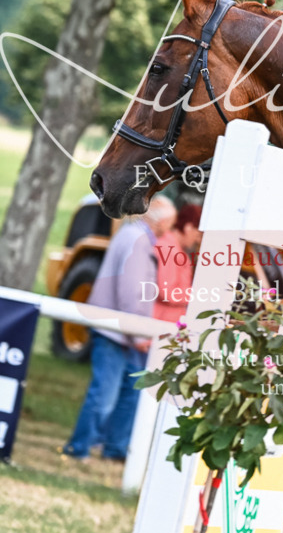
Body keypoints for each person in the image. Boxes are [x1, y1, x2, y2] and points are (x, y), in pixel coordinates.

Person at [63, 195, 176, 461]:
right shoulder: (138, 241)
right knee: (105, 396)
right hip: (117, 331)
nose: (170, 228)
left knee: (127, 395)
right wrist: (139, 334)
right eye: (170, 222)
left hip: (121, 331)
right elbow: (132, 292)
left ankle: (112, 448)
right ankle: (80, 448)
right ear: (160, 221)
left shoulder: (134, 236)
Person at [152, 203, 202, 323]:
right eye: (198, 235)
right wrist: (198, 296)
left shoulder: (176, 249)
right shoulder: (169, 248)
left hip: (165, 321)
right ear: (188, 227)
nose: (198, 240)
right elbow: (167, 292)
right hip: (160, 322)